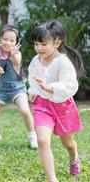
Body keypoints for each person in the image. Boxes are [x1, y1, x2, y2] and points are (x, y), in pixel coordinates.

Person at [28, 20, 84, 182]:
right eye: (36, 44)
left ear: (57, 43)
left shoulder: (63, 62)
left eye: (43, 44)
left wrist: (49, 87)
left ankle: (74, 157)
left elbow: (69, 85)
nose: (39, 48)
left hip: (62, 106)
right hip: (42, 105)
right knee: (42, 140)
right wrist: (33, 90)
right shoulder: (36, 60)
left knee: (68, 143)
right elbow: (34, 79)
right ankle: (52, 179)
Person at [0, 24, 38, 149]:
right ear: (0, 40)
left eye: (12, 40)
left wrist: (13, 54)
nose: (8, 42)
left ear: (16, 43)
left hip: (17, 89)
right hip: (1, 90)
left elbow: (17, 62)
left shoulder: (16, 53)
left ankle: (32, 135)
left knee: (24, 110)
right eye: (5, 39)